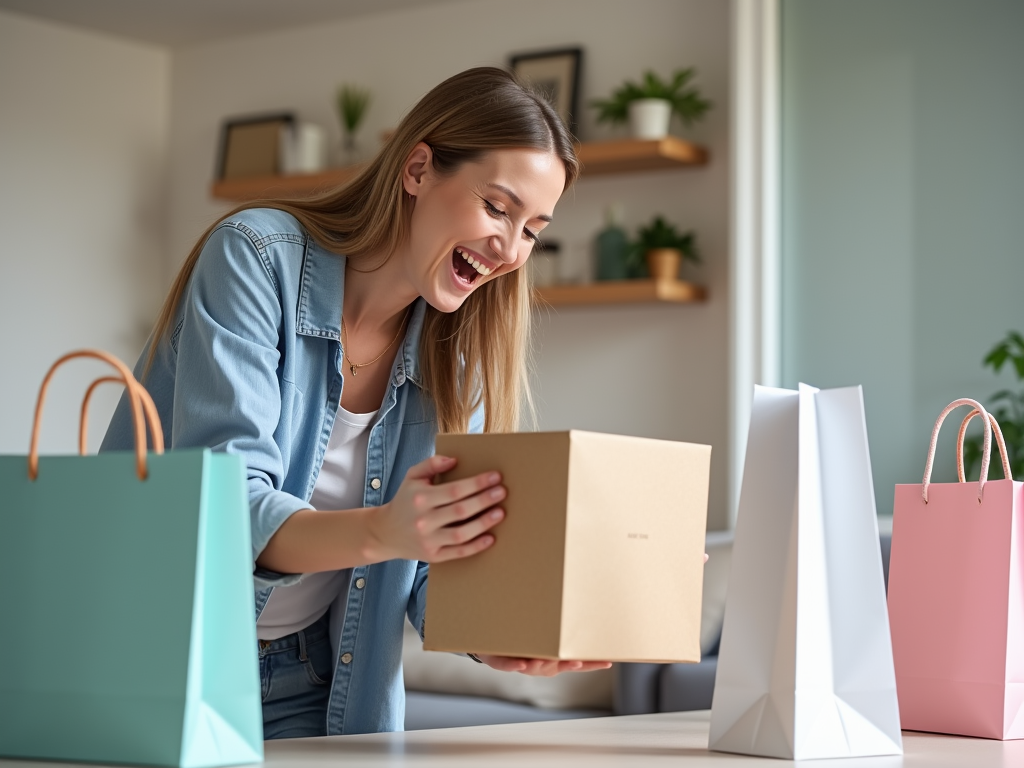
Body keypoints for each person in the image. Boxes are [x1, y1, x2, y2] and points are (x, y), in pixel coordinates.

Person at [101, 67, 611, 739]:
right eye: (497, 208)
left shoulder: (459, 358)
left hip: (317, 677)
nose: (509, 249)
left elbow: (431, 572)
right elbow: (231, 507)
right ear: (419, 169)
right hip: (160, 660)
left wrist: (503, 636)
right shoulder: (255, 260)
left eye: (532, 230)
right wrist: (385, 531)